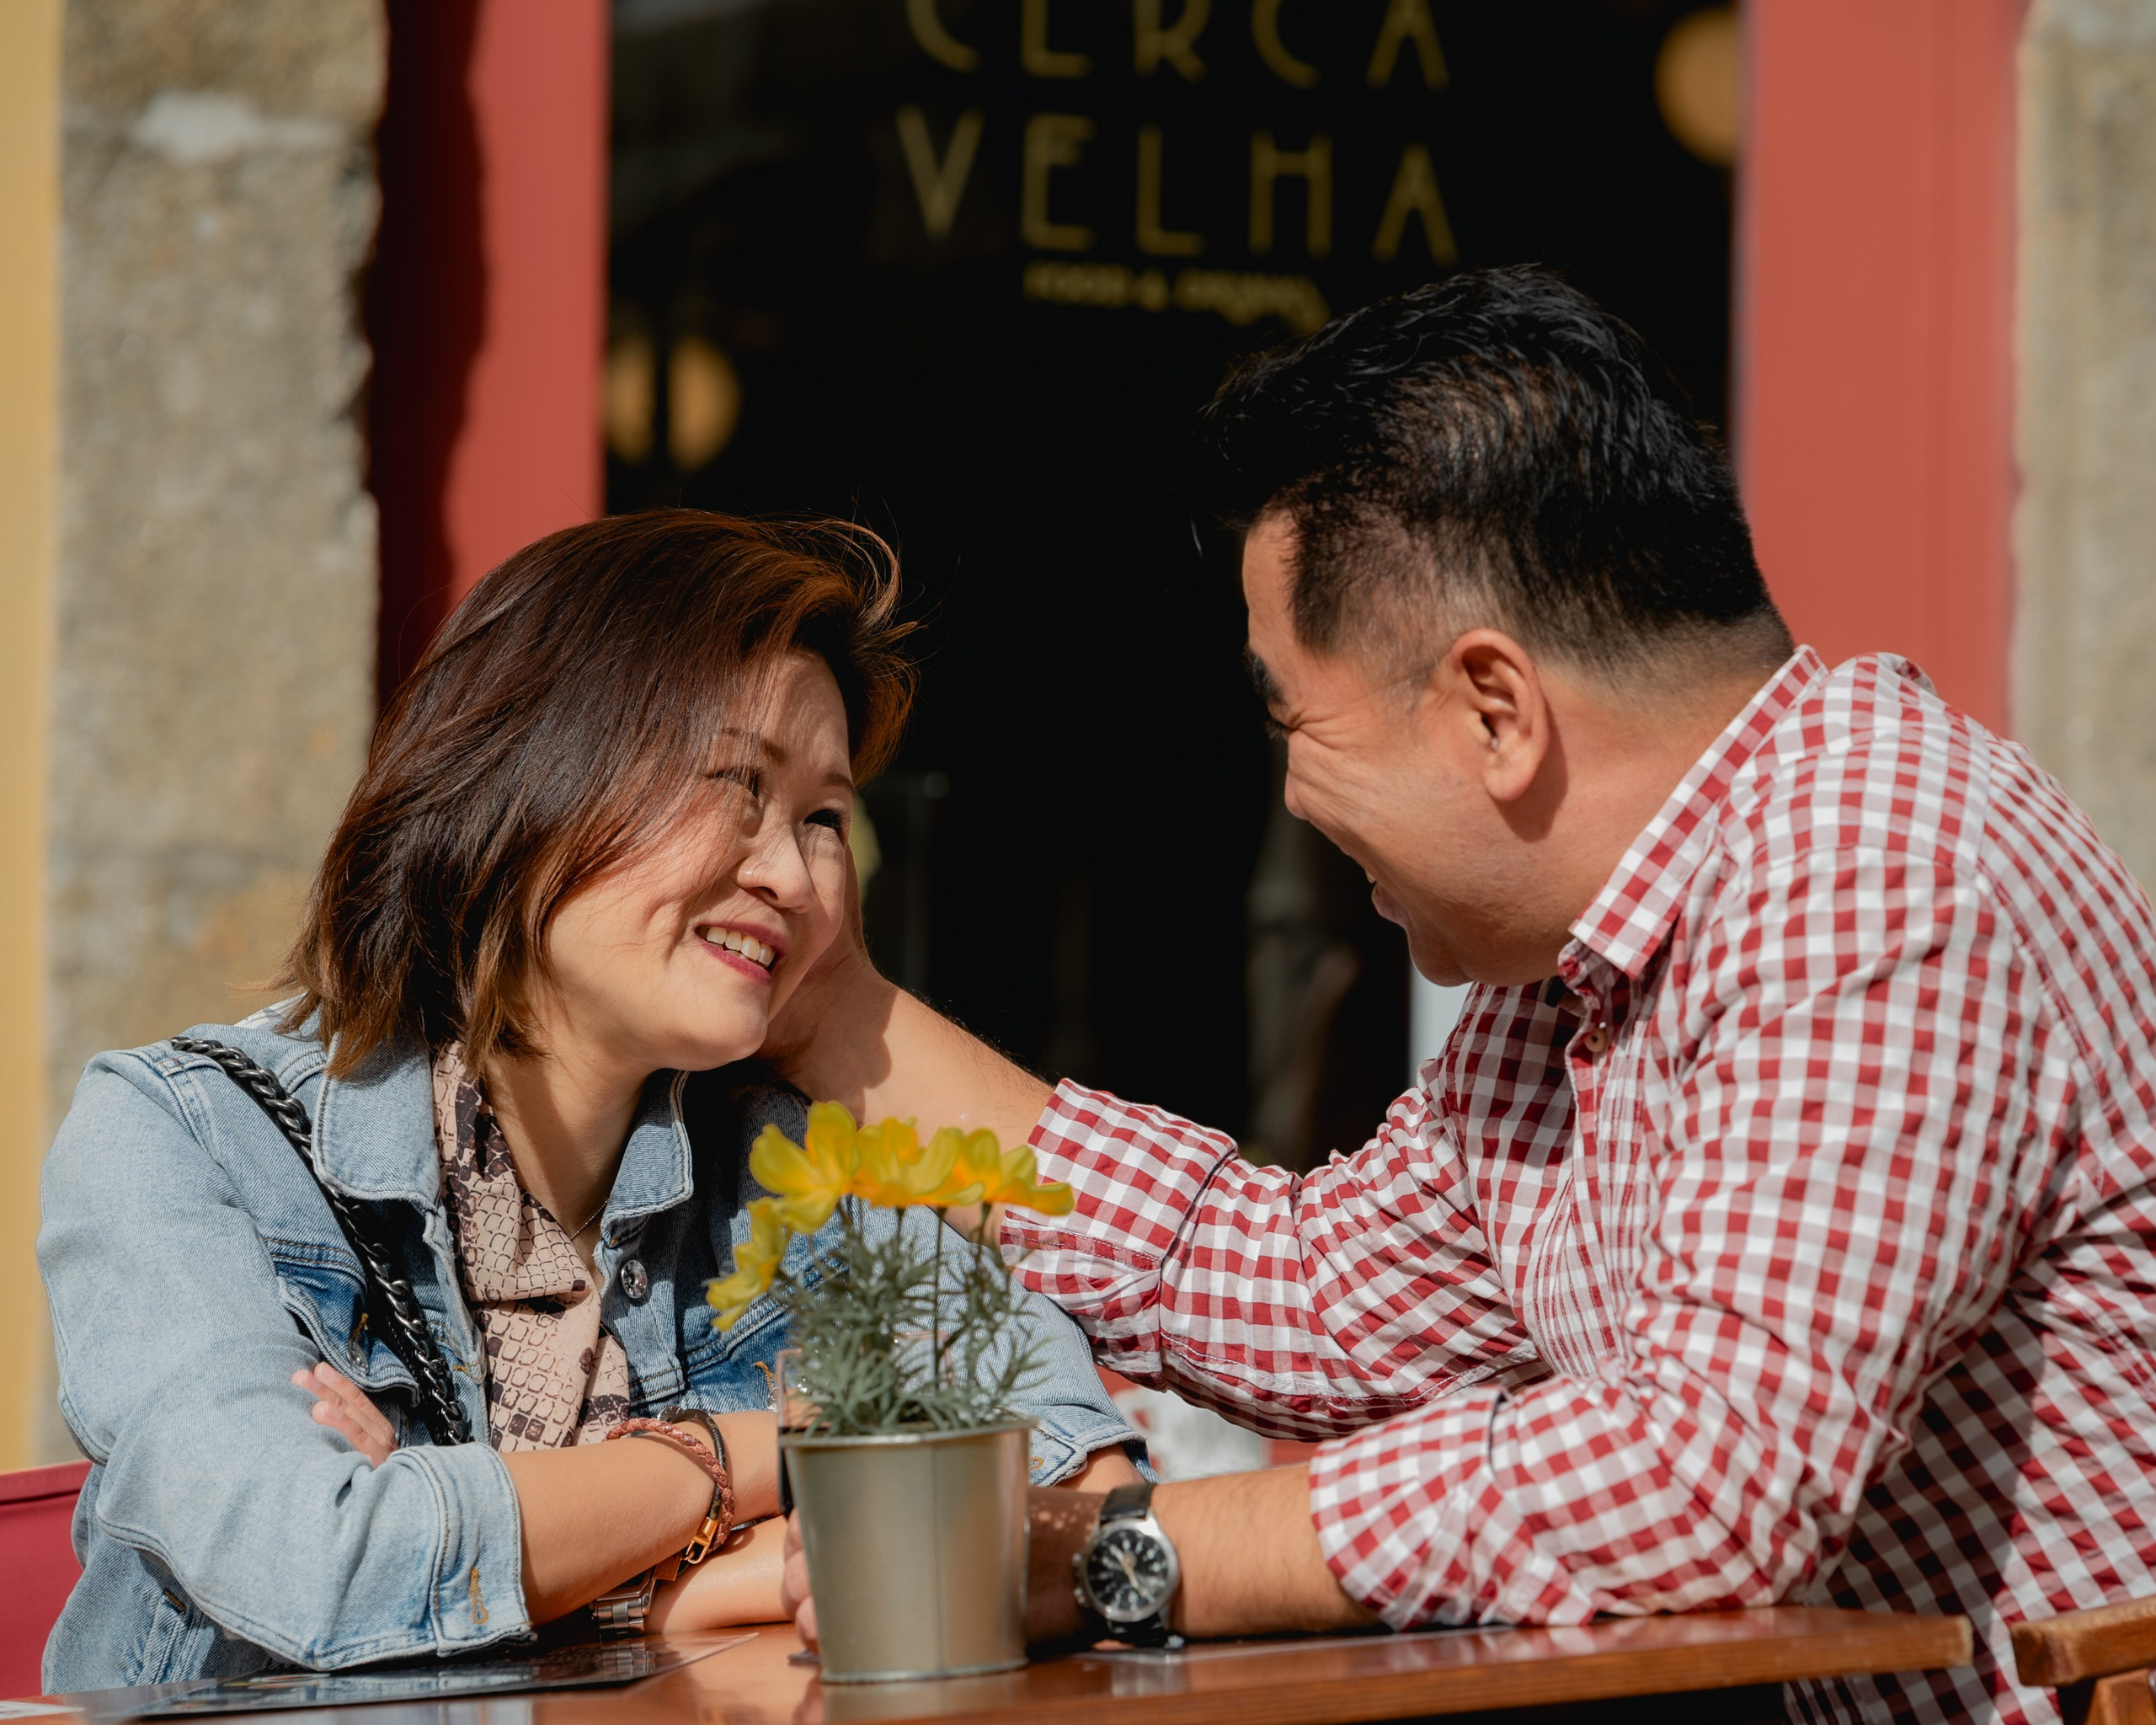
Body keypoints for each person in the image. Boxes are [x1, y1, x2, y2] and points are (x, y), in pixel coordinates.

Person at [766, 269, 2156, 1725]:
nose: (1291, 799)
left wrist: (1118, 1554)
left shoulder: (1876, 866)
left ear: (1495, 711)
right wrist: (829, 1011)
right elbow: (1307, 1296)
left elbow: (1700, 1482)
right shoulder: (1574, 973)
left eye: (1292, 721)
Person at [37, 511, 1139, 1690]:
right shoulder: (185, 1134)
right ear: (530, 776)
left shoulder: (798, 1166)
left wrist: (560, 1561)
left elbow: (1083, 1509)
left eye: (823, 815)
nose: (789, 872)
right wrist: (767, 1459)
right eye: (738, 785)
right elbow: (316, 1564)